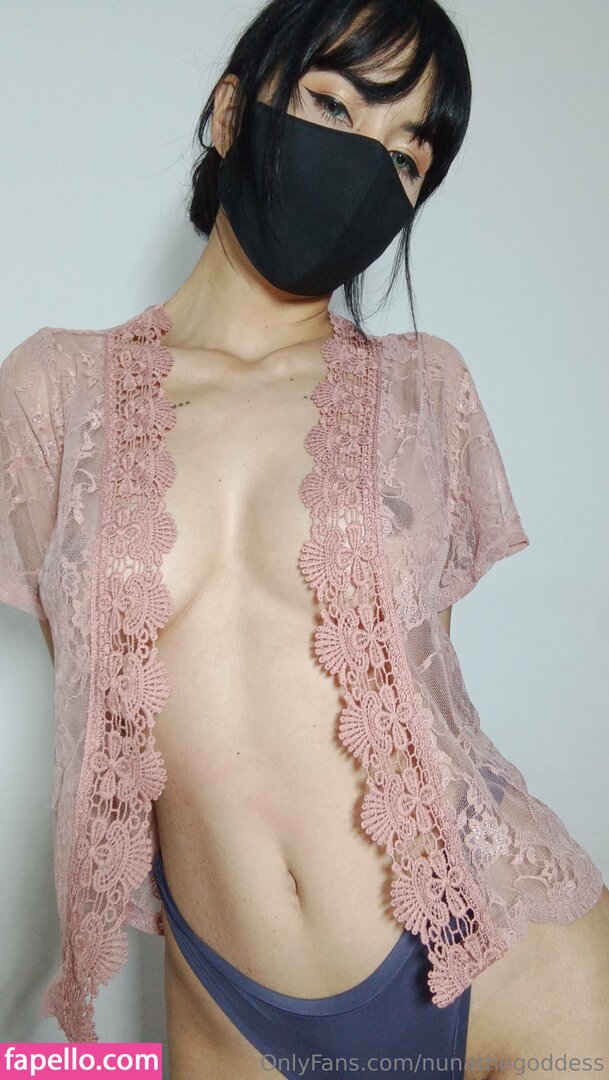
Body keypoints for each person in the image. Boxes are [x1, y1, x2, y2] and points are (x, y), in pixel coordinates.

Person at [1, 0, 607, 1075]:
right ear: (233, 113)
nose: (369, 166)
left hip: (509, 959)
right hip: (230, 1012)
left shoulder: (424, 390)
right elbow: (104, 709)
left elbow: (421, 697)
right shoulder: (53, 393)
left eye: (408, 157)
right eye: (335, 105)